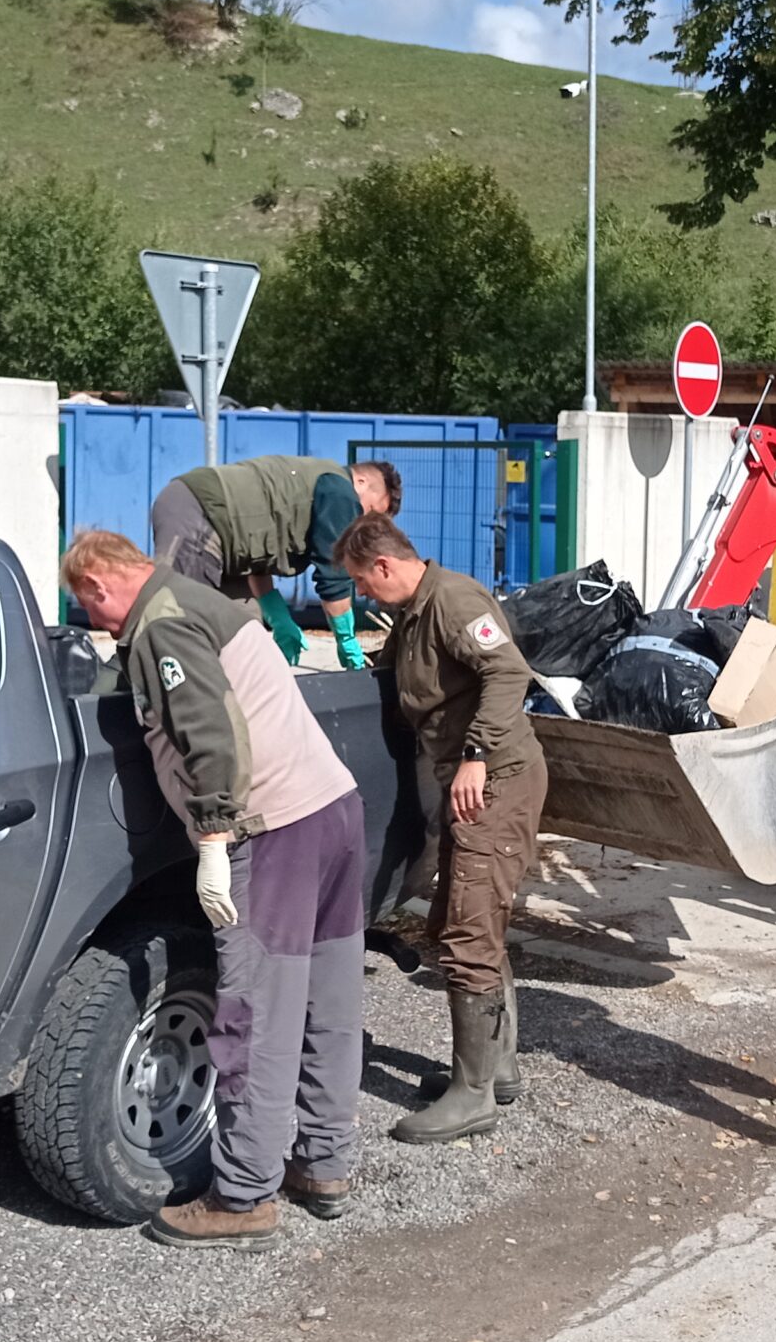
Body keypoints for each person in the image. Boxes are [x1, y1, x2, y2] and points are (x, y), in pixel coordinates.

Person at [61, 528, 370, 1248]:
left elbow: (211, 732)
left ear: (99, 584)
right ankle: (323, 1164)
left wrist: (210, 837)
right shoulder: (200, 600)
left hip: (273, 829)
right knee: (327, 1002)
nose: (92, 621)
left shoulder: (161, 624)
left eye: (87, 606)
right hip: (332, 808)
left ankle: (243, 1196)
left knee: (256, 1013)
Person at [335, 513, 540, 1144]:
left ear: (385, 565)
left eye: (362, 582)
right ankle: (496, 1069)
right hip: (466, 782)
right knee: (468, 915)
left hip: (495, 779)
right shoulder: (412, 614)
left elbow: (508, 672)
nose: (362, 593)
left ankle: (472, 1095)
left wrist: (477, 752)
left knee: (468, 929)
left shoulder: (452, 600)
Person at [149, 456, 401, 669]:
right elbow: (333, 576)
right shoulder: (340, 491)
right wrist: (346, 638)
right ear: (361, 482)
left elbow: (257, 562)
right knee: (178, 622)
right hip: (199, 510)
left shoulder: (309, 490)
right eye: (369, 510)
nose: (361, 521)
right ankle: (137, 690)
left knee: (243, 634)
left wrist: (279, 619)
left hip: (226, 541)